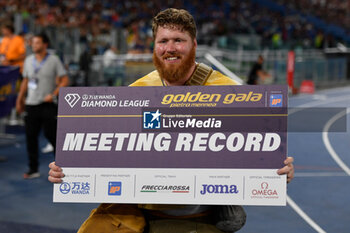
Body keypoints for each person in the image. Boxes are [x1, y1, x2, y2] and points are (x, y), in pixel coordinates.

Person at [49, 8, 294, 233]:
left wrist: (276, 169)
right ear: (154, 46)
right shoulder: (135, 92)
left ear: (194, 45)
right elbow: (109, 150)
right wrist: (68, 170)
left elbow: (254, 151)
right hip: (140, 212)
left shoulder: (229, 92)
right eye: (163, 41)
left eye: (179, 40)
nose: (170, 48)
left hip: (199, 217)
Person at [16, 33, 69, 179]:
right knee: (30, 137)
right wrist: (20, 99)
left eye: (37, 43)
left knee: (52, 136)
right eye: (33, 43)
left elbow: (64, 80)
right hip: (31, 104)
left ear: (45, 44)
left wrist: (53, 94)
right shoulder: (28, 60)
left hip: (48, 105)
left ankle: (61, 167)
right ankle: (33, 169)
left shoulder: (54, 60)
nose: (34, 45)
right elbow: (26, 81)